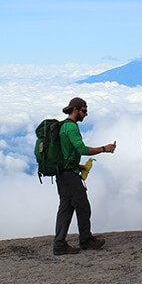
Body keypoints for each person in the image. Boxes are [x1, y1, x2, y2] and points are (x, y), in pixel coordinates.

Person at [53, 97, 115, 256]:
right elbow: (81, 149)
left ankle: (59, 244)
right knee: (83, 207)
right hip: (69, 176)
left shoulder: (62, 127)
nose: (86, 114)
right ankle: (86, 240)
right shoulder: (71, 128)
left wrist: (76, 165)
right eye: (84, 111)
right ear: (75, 110)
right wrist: (103, 149)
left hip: (62, 174)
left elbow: (66, 152)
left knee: (65, 209)